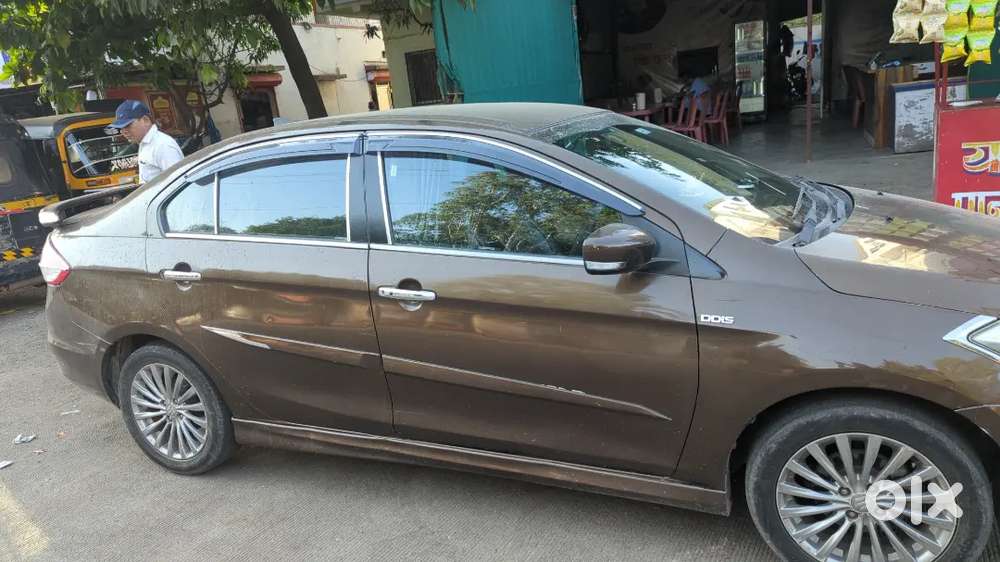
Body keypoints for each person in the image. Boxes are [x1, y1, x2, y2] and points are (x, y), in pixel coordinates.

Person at [109, 99, 184, 184]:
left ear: (146, 120)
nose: (123, 131)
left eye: (127, 125)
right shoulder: (144, 143)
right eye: (121, 127)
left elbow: (179, 183)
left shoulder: (163, 145)